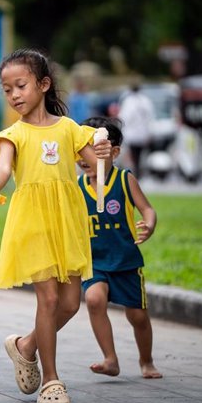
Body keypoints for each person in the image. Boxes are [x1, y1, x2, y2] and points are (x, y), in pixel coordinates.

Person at [0, 49, 111, 403]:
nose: (14, 95)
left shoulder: (68, 129)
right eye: (7, 90)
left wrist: (102, 151)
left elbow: (97, 166)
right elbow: (3, 169)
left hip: (67, 221)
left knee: (69, 303)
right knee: (48, 299)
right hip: (32, 221)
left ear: (44, 84)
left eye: (20, 85)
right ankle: (51, 381)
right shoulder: (11, 135)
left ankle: (25, 346)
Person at [76, 116, 162, 380]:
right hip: (95, 261)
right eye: (81, 149)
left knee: (137, 316)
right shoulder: (76, 188)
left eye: (95, 148)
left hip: (125, 262)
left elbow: (147, 209)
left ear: (113, 152)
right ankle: (110, 359)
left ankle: (146, 361)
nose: (85, 157)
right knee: (93, 299)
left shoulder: (125, 180)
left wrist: (148, 224)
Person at [118, 82, 154, 178]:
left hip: (132, 133)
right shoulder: (145, 101)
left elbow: (124, 117)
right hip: (142, 133)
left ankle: (135, 172)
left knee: (133, 154)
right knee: (140, 155)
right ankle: (138, 172)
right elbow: (150, 117)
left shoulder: (129, 101)